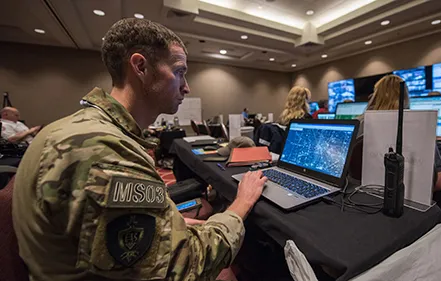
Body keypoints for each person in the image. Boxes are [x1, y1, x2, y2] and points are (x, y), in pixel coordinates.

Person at [13, 18, 267, 281]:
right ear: (141, 67)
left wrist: (176, 225)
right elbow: (185, 268)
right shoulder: (103, 152)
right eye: (179, 71)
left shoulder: (73, 129)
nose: (186, 86)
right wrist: (240, 204)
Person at [357, 74, 441, 192]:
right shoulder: (420, 127)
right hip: (411, 200)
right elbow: (439, 181)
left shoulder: (358, 124)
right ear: (405, 97)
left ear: (375, 95)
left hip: (363, 195)